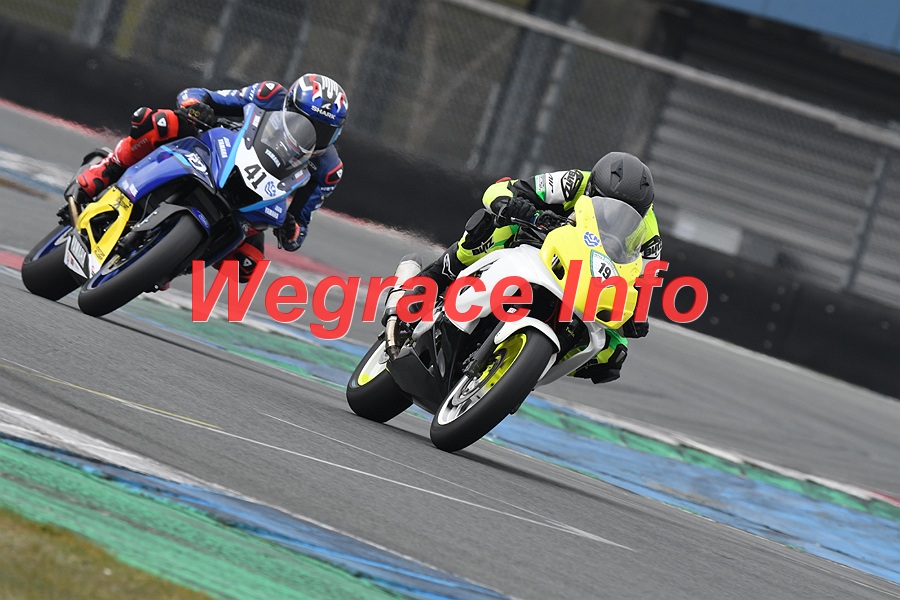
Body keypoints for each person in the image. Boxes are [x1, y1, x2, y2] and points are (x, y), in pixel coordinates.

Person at [411, 151, 662, 384]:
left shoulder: (650, 235)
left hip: (587, 274)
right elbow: (501, 189)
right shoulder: (573, 181)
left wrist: (638, 316)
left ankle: (527, 370)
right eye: (607, 203)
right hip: (536, 235)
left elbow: (645, 281)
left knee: (614, 352)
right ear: (592, 189)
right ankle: (429, 282)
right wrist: (508, 204)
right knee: (491, 229)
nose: (616, 214)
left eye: (631, 212)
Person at [75, 73, 348, 282]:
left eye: (323, 131)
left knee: (248, 266)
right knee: (161, 122)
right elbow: (199, 95)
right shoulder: (269, 94)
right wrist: (196, 107)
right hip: (218, 150)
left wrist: (291, 229)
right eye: (306, 121)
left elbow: (299, 229)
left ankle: (166, 263)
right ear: (289, 105)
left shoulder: (328, 169)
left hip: (255, 197)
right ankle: (107, 169)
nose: (312, 134)